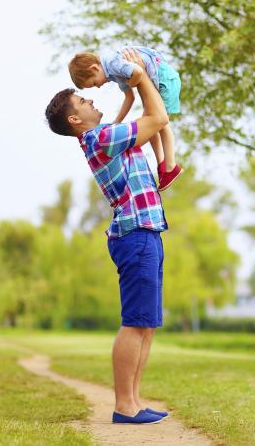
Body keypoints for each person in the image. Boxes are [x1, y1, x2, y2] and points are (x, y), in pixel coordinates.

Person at [44, 49, 169, 425]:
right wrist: (140, 73)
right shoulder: (98, 139)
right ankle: (124, 406)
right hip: (135, 234)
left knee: (146, 322)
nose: (91, 98)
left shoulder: (105, 137)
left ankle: (132, 402)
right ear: (74, 118)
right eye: (83, 99)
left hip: (146, 231)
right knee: (135, 321)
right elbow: (159, 118)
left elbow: (145, 122)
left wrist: (133, 89)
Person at [68, 46, 183, 191]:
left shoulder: (112, 63)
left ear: (94, 69)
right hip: (156, 82)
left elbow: (138, 71)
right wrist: (116, 123)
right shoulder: (114, 74)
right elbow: (130, 97)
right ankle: (162, 165)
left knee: (161, 123)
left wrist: (133, 82)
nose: (97, 87)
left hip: (165, 79)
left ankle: (171, 166)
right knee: (151, 124)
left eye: (94, 83)